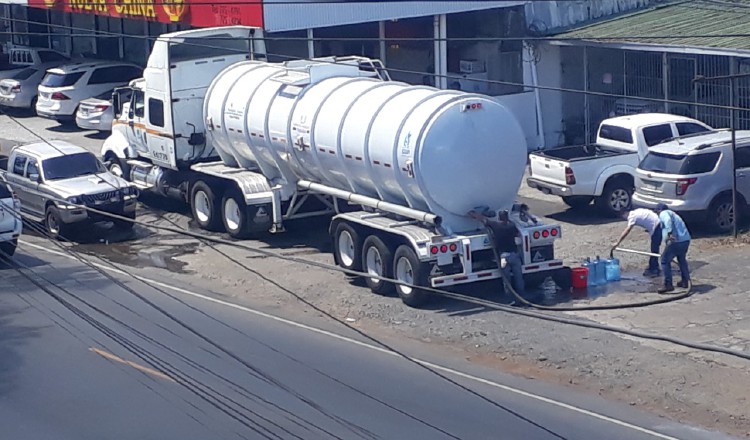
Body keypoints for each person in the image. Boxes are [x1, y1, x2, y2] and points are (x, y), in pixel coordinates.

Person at [468, 208, 524, 294]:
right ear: (506, 218)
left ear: (499, 218)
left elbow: (484, 220)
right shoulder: (512, 226)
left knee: (506, 280)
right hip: (514, 256)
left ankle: (509, 296)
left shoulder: (496, 226)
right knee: (519, 278)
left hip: (504, 258)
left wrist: (474, 214)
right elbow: (517, 233)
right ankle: (521, 294)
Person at [611, 208, 662, 277]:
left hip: (657, 226)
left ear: (625, 214)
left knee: (654, 249)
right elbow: (646, 217)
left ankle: (654, 269)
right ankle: (652, 266)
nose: (625, 219)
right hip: (658, 223)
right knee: (654, 248)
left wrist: (618, 242)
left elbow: (627, 230)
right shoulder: (636, 211)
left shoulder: (632, 216)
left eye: (623, 217)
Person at [654, 203, 691, 293]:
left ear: (659, 210)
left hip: (676, 241)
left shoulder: (664, 213)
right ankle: (685, 281)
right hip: (685, 240)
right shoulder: (674, 214)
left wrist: (670, 233)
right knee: (681, 260)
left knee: (664, 260)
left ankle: (668, 284)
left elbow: (667, 221)